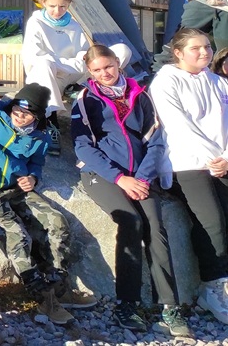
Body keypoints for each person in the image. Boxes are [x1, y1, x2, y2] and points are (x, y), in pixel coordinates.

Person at [71, 44, 190, 335]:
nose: (105, 73)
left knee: (155, 226)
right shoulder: (86, 100)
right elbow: (83, 147)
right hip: (102, 175)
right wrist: (120, 178)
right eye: (97, 70)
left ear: (118, 63)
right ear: (90, 72)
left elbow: (155, 141)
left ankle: (169, 306)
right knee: (131, 221)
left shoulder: (139, 94)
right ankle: (127, 303)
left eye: (108, 66)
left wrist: (143, 177)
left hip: (140, 176)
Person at [0, 81, 94, 325]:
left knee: (56, 222)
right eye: (17, 111)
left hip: (17, 187)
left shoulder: (40, 137)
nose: (19, 117)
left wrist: (33, 177)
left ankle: (58, 287)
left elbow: (36, 163)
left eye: (26, 114)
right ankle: (42, 297)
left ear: (36, 117)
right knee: (16, 233)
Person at [149, 27, 228, 325]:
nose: (205, 52)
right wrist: (213, 159)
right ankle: (213, 287)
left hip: (222, 161)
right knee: (212, 222)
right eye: (196, 48)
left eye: (207, 46)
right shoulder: (166, 82)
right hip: (187, 163)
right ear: (178, 53)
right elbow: (179, 125)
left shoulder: (219, 83)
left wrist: (225, 157)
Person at [20, 0, 131, 156]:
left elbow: (85, 54)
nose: (57, 11)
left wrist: (74, 62)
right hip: (50, 75)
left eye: (63, 6)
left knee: (122, 50)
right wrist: (64, 62)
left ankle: (86, 87)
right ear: (44, 2)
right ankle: (50, 120)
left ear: (69, 4)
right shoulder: (36, 23)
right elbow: (34, 56)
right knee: (44, 63)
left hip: (74, 72)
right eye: (52, 6)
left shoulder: (74, 24)